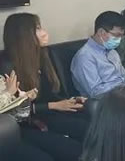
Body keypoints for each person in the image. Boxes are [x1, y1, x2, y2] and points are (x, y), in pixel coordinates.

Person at [2, 12, 88, 140]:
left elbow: (55, 92)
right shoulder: (8, 65)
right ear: (23, 35)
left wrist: (73, 99)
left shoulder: (44, 54)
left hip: (56, 110)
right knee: (84, 129)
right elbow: (14, 110)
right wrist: (54, 105)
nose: (44, 33)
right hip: (34, 119)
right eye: (38, 29)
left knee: (96, 119)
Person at [70, 10, 125, 97]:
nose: (120, 39)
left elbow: (123, 78)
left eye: (122, 35)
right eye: (117, 35)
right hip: (104, 101)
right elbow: (96, 92)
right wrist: (123, 89)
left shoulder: (112, 52)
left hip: (123, 95)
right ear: (101, 32)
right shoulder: (85, 57)